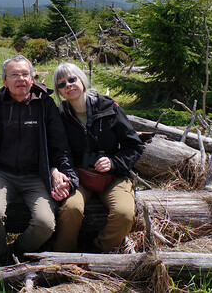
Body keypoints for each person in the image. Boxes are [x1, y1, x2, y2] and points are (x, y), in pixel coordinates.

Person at [0, 54, 78, 266]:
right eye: (14, 75)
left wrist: (69, 178)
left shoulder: (45, 105)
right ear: (4, 81)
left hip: (36, 175)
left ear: (32, 79)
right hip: (1, 174)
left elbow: (60, 147)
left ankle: (17, 253)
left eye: (25, 74)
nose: (21, 79)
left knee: (45, 223)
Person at [51, 62, 144, 253]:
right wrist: (57, 173)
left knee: (124, 214)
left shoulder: (109, 108)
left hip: (113, 176)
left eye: (72, 79)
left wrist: (114, 162)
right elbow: (55, 150)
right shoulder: (60, 116)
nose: (68, 85)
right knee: (71, 210)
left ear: (82, 81)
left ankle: (99, 254)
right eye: (61, 84)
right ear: (59, 91)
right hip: (78, 176)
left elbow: (134, 145)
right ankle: (63, 256)